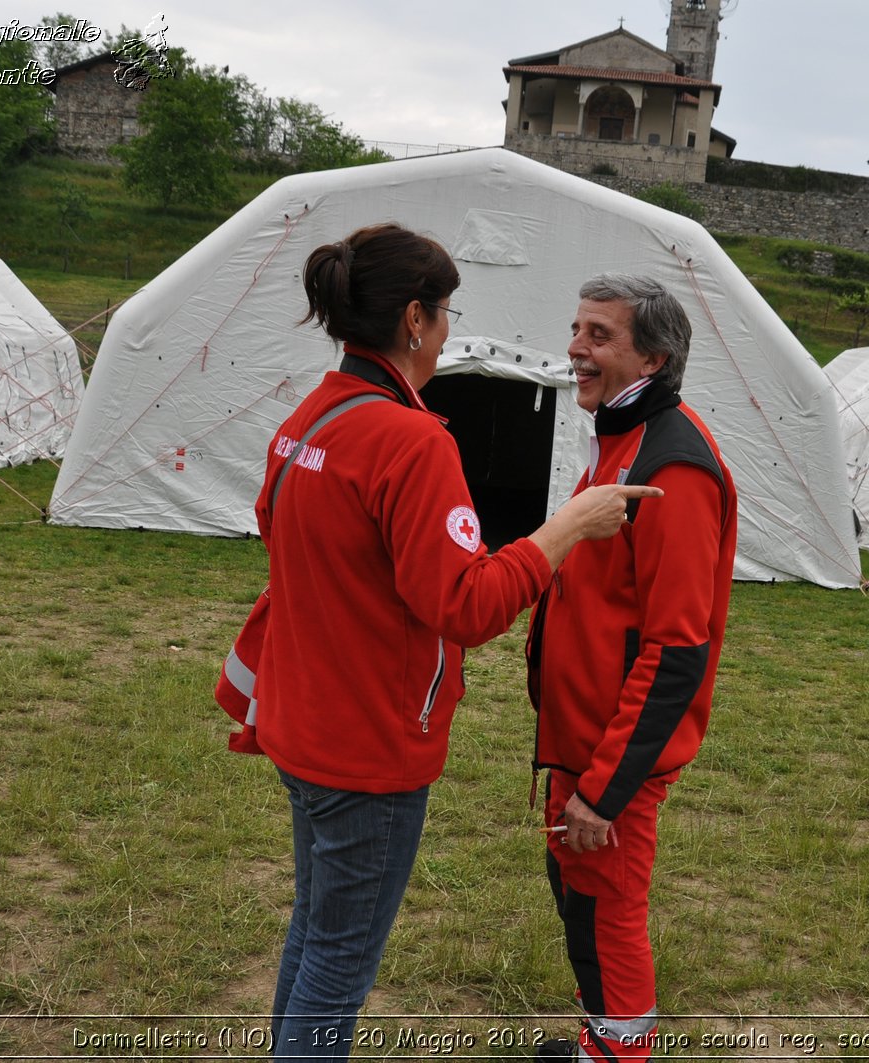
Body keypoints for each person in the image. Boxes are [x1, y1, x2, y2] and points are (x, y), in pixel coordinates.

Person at [248, 225, 660, 1060]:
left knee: (314, 932)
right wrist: (564, 530)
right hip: (367, 750)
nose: (447, 329)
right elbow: (467, 607)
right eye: (445, 313)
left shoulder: (312, 414)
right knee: (336, 963)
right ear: (414, 319)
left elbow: (282, 534)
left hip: (300, 722)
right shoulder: (412, 439)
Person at [526, 275, 738, 1062]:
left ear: (653, 355)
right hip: (579, 737)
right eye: (576, 329)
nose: (576, 348)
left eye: (599, 336)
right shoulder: (618, 438)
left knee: (607, 907)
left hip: (612, 757)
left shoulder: (672, 466)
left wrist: (606, 788)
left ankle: (621, 1055)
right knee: (578, 896)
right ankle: (600, 1042)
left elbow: (679, 648)